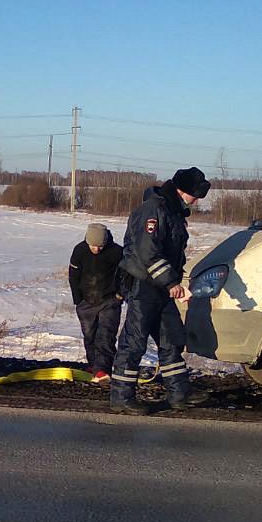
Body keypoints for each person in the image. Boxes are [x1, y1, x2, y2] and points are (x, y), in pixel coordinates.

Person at [111, 167, 212, 414]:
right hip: (145, 286)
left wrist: (172, 282)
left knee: (172, 339)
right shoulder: (153, 210)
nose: (196, 200)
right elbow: (148, 253)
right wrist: (171, 283)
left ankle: (180, 393)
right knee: (134, 343)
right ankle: (121, 398)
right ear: (180, 190)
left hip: (163, 288)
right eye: (194, 195)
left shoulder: (173, 211)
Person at [68, 222, 125, 383]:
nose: (96, 249)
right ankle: (94, 365)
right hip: (86, 301)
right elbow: (73, 275)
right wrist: (77, 299)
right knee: (89, 335)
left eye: (100, 246)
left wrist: (121, 294)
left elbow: (126, 275)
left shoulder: (117, 252)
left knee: (106, 335)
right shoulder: (80, 250)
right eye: (93, 246)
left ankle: (102, 370)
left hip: (110, 300)